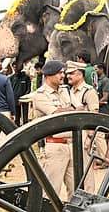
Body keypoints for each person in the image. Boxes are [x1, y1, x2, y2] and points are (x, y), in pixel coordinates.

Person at [32, 60, 77, 197]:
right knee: (51, 190)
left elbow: (79, 108)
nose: (62, 75)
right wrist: (70, 110)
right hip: (55, 146)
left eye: (62, 72)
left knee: (76, 189)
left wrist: (67, 110)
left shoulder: (66, 90)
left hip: (72, 144)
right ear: (48, 76)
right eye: (59, 73)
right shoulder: (40, 94)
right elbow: (55, 114)